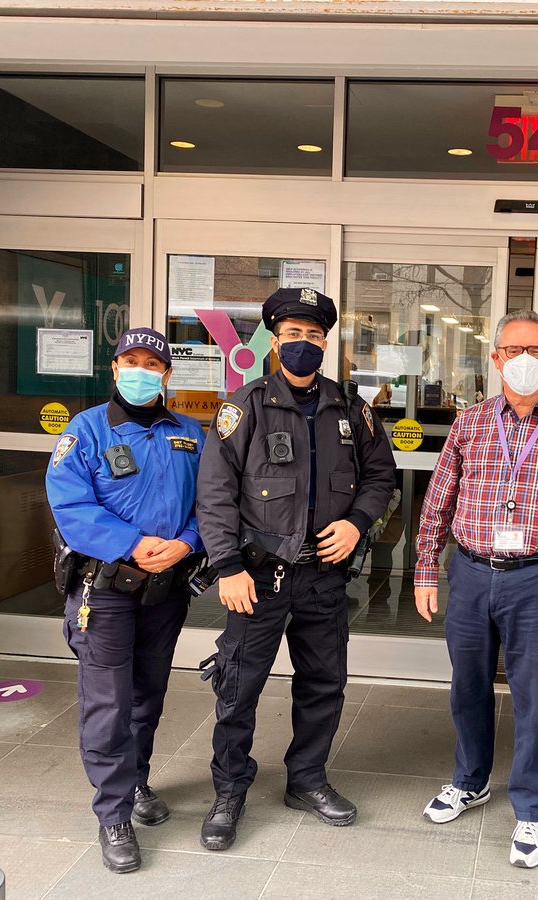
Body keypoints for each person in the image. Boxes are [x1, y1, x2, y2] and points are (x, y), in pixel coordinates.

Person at [195, 288, 397, 850]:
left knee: (323, 685)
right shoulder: (245, 406)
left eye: (313, 335)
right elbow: (213, 494)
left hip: (324, 577)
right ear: (275, 341)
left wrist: (357, 523)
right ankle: (230, 789)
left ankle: (306, 779)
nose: (302, 344)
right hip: (256, 578)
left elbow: (381, 476)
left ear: (325, 343)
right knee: (238, 688)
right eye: (292, 335)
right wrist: (227, 566)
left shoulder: (352, 410)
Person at [414, 310, 538, 869]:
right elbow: (438, 501)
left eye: (537, 351)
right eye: (513, 349)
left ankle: (531, 809)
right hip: (471, 573)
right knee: (467, 687)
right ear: (495, 357)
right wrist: (426, 568)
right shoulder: (470, 422)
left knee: (534, 698)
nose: (525, 359)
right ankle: (470, 781)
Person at [45, 327, 205, 874]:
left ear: (167, 375)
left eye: (152, 364)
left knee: (147, 695)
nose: (141, 371)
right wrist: (133, 544)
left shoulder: (190, 432)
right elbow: (70, 507)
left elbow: (212, 503)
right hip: (106, 589)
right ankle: (112, 814)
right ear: (114, 370)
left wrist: (187, 542)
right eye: (130, 362)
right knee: (108, 703)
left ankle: (136, 783)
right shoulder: (86, 430)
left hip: (165, 589)